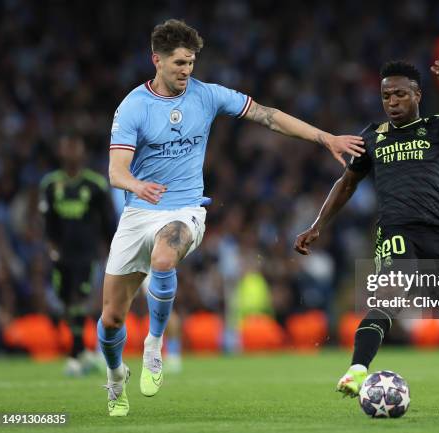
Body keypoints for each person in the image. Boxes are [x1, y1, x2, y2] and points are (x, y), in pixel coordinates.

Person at [100, 18, 364, 416]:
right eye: (178, 64)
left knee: (164, 257)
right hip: (139, 212)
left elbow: (268, 115)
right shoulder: (133, 107)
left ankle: (154, 345)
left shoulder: (207, 95)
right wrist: (135, 186)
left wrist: (324, 137)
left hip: (185, 209)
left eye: (191, 63)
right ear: (156, 59)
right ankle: (116, 377)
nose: (186, 71)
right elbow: (116, 170)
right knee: (111, 320)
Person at [295, 56, 439, 411]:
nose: (392, 103)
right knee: (389, 294)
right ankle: (357, 370)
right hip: (396, 230)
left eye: (399, 95)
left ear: (417, 95)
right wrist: (317, 225)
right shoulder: (373, 137)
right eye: (385, 97)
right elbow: (347, 182)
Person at [39, 134, 116, 376]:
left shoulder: (95, 185)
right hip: (61, 255)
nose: (71, 152)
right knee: (65, 302)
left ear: (83, 153)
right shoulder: (50, 184)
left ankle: (75, 354)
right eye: (67, 147)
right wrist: (50, 247)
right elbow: (46, 220)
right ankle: (83, 353)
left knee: (80, 299)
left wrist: (110, 250)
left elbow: (109, 221)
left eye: (75, 147)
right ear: (60, 152)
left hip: (87, 254)